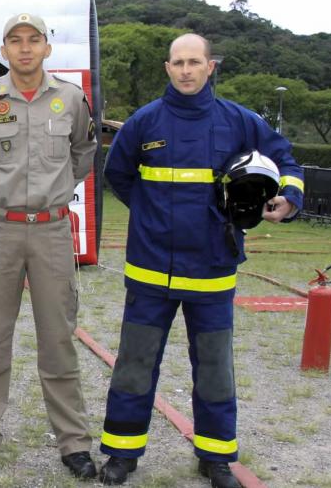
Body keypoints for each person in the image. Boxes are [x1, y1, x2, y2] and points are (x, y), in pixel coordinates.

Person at [98, 33, 304, 487]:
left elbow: (286, 160)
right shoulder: (144, 121)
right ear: (168, 68)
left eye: (194, 62)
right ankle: (122, 452)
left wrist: (289, 197)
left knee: (214, 368)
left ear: (210, 67)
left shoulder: (240, 121)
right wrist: (151, 216)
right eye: (178, 63)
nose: (186, 70)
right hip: (150, 269)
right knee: (134, 363)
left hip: (212, 269)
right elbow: (118, 174)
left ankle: (215, 458)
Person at [0, 13, 99, 480]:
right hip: (0, 232)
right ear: (4, 49)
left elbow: (83, 154)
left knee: (58, 339)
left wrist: (52, 192)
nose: (25, 48)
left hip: (52, 232)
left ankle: (74, 443)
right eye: (15, 40)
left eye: (34, 39)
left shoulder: (71, 99)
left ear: (47, 48)